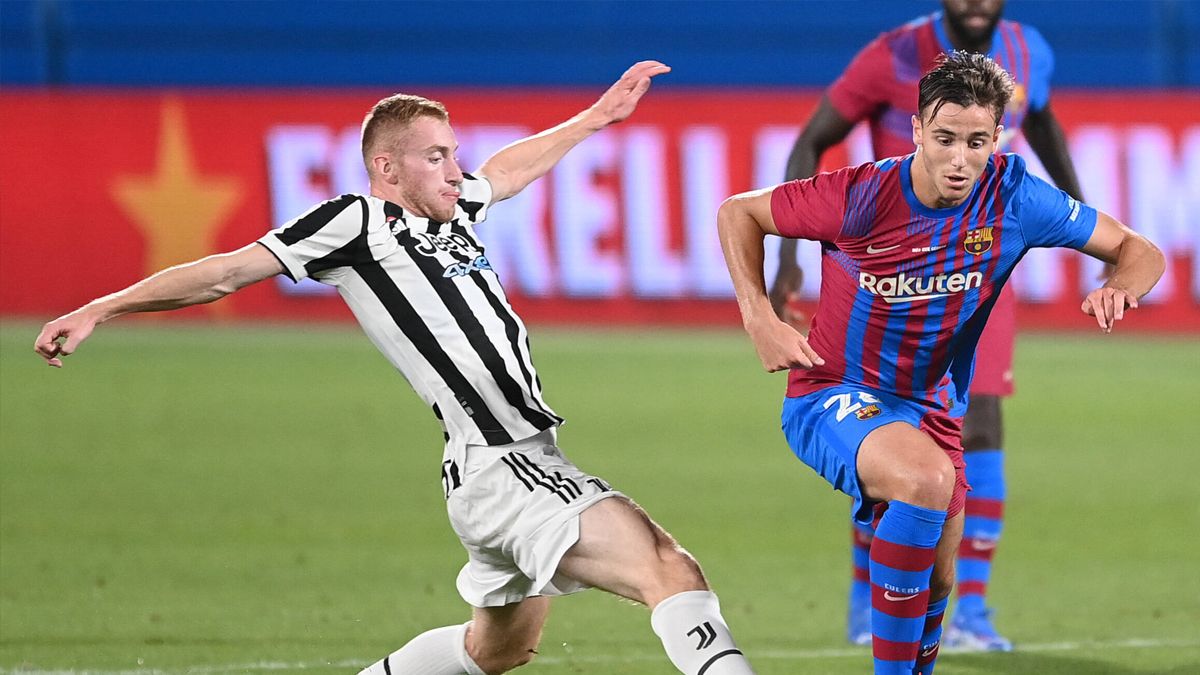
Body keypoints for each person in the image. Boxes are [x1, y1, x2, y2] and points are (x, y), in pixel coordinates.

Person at [35, 61, 756, 675]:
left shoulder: (454, 212)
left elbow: (506, 171)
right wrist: (105, 305)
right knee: (668, 566)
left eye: (452, 151)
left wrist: (597, 116)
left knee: (496, 650)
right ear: (387, 168)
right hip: (504, 464)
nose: (455, 166)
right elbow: (225, 271)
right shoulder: (355, 222)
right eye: (435, 155)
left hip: (488, 471)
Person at [718, 51, 1163, 675]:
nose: (960, 158)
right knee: (924, 482)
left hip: (931, 408)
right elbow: (739, 211)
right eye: (946, 137)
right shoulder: (859, 195)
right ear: (918, 128)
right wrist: (759, 317)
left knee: (937, 576)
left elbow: (1137, 247)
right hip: (831, 392)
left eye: (976, 141)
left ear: (998, 137)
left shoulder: (1014, 197)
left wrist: (1123, 284)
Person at [770, 0, 1086, 651]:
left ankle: (969, 608)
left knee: (984, 420)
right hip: (885, 274)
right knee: (886, 437)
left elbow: (1045, 121)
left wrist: (1077, 213)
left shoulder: (1032, 52)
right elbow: (812, 136)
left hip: (975, 265)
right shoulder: (891, 55)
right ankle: (868, 598)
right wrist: (791, 256)